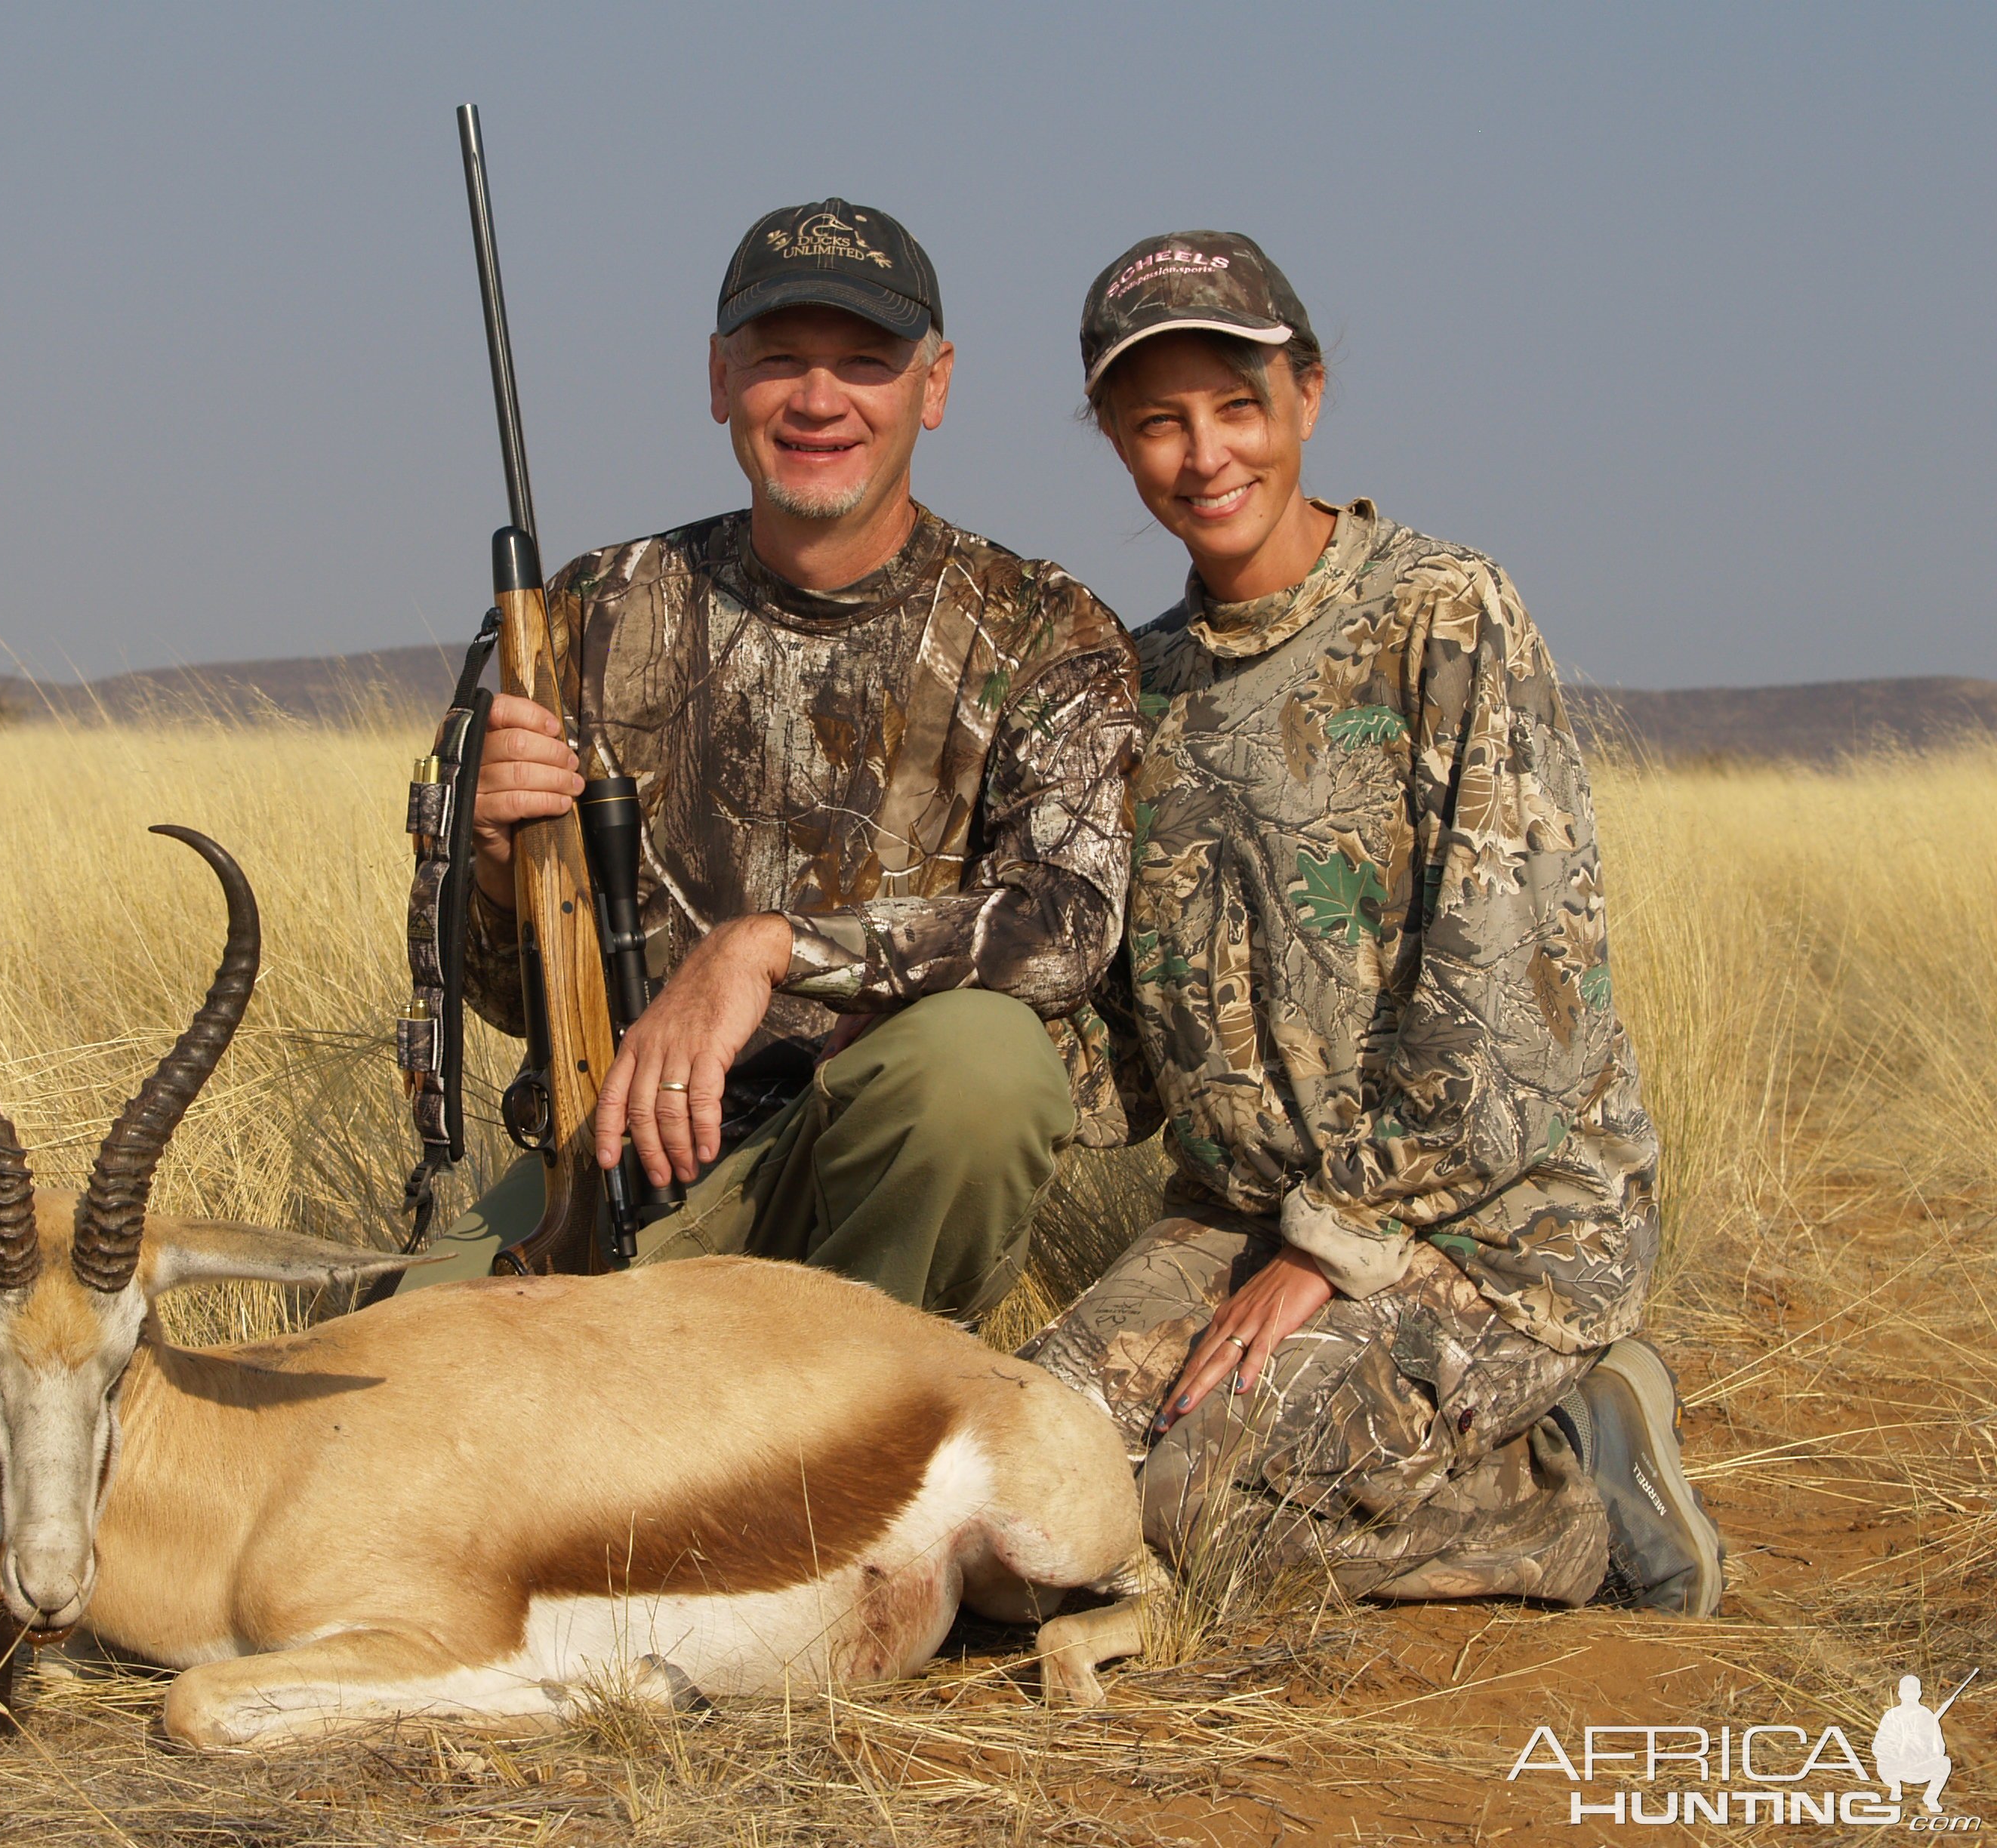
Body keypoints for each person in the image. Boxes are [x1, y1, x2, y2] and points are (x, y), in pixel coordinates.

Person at [1023, 230, 1726, 1614]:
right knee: (1033, 1471)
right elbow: (1111, 1049)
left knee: (1201, 1504)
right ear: (1108, 436)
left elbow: (1510, 1011)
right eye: (1155, 420)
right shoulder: (1137, 682)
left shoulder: (1443, 613)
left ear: (1307, 396)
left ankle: (1567, 1484)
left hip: (1490, 1228)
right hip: (1241, 1223)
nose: (1203, 454)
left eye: (1236, 406)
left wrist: (1331, 1242)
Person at [399, 199, 1140, 1320]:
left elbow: (1066, 927)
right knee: (383, 1407)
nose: (817, 399)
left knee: (983, 1067)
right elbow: (495, 1001)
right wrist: (496, 865)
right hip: (610, 1165)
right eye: (779, 359)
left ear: (935, 387)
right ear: (717, 380)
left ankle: (849, 1443)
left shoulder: (1046, 628)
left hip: (860, 1170)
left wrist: (766, 952)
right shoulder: (585, 615)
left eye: (864, 362)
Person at [1873, 1676, 1952, 1813]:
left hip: (1920, 1767)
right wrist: (1897, 1747)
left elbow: (1940, 1749)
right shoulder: (1892, 1716)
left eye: (1912, 1692)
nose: (1909, 1696)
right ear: (1900, 1694)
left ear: (1919, 1694)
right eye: (1906, 1692)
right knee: (1881, 1762)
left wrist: (1923, 1745)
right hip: (1896, 1767)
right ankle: (1895, 1788)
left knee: (1944, 1763)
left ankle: (1931, 1798)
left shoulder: (1927, 1716)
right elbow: (1878, 1747)